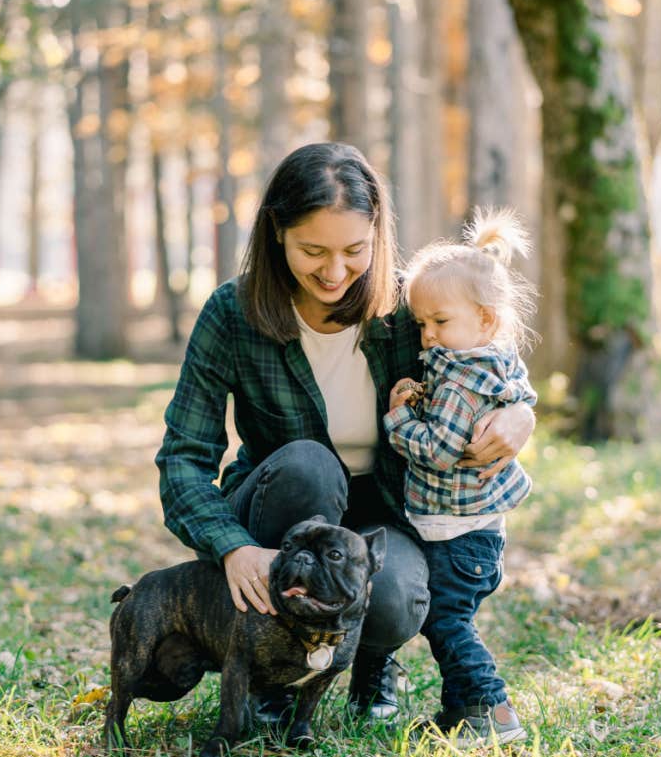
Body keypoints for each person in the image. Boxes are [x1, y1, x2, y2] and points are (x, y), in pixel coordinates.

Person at [155, 142, 535, 724]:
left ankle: (369, 663)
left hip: (382, 512)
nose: (334, 273)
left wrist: (521, 413)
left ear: (378, 237)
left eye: (354, 251)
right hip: (280, 508)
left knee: (397, 594)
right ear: (277, 233)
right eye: (312, 250)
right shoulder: (233, 314)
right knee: (309, 464)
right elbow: (183, 459)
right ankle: (271, 673)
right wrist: (233, 546)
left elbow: (488, 353)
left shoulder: (415, 307)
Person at [384, 208, 537, 743]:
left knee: (446, 623)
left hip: (456, 535)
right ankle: (459, 717)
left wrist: (400, 416)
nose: (426, 336)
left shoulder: (459, 383)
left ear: (486, 319)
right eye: (422, 323)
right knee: (447, 619)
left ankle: (493, 711)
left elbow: (439, 450)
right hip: (476, 530)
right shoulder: (493, 359)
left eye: (439, 323)